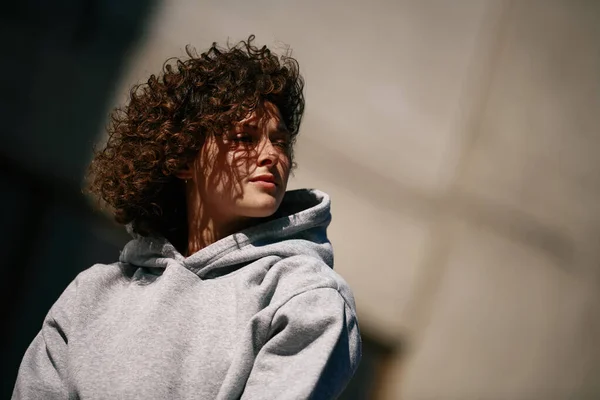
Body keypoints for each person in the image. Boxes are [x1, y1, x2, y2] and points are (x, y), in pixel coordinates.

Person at [12, 36, 361, 399]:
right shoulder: (91, 295)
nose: (271, 154)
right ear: (181, 159)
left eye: (280, 141)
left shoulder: (304, 296)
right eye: (244, 137)